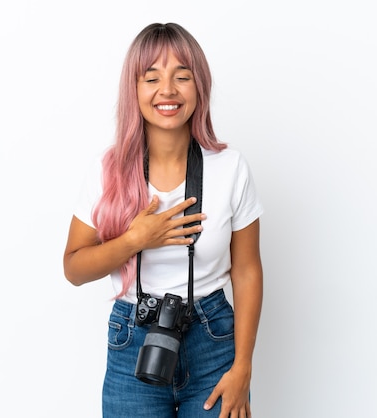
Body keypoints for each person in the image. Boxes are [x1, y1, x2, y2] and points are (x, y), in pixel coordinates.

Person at [63, 22, 264, 418]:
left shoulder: (230, 168)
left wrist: (242, 368)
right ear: (133, 89)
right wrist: (134, 240)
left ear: (199, 86)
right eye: (151, 77)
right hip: (132, 336)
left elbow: (247, 271)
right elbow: (73, 268)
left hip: (212, 338)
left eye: (182, 77)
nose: (167, 90)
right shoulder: (108, 170)